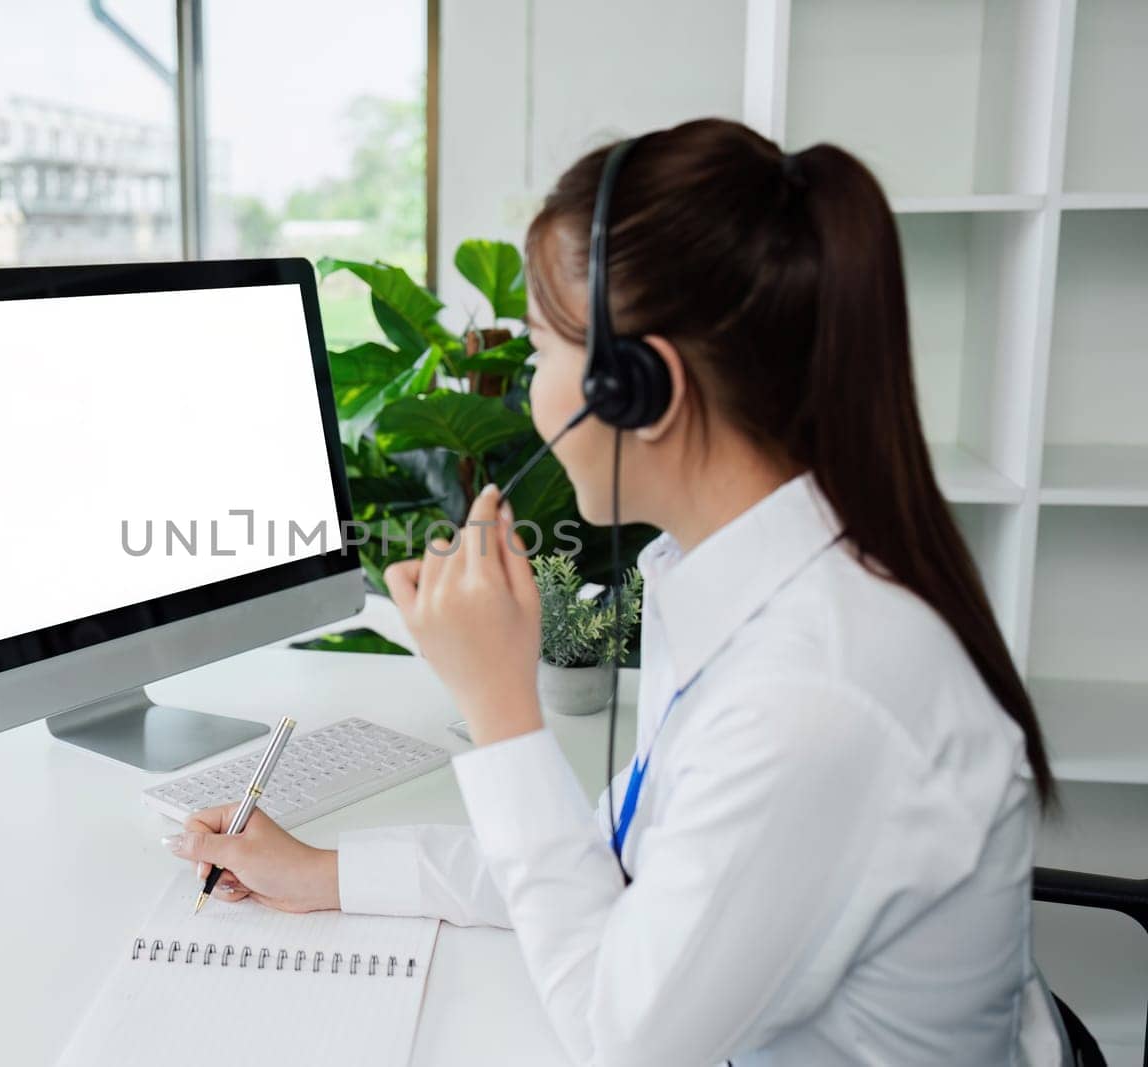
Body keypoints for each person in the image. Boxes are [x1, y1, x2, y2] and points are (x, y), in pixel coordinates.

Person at [161, 118, 1066, 1064]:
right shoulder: (724, 582)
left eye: (544, 354)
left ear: (638, 388)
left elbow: (621, 1037)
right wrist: (319, 874)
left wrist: (500, 706)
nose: (529, 393)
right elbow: (610, 866)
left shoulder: (811, 698)